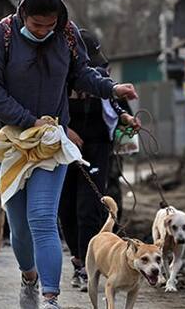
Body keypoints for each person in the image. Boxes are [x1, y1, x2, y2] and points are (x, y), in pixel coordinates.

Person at [0, 0, 138, 309]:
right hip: (8, 142)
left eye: (50, 25)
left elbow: (82, 73)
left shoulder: (67, 35)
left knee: (42, 218)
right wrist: (29, 120)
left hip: (50, 142)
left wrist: (111, 89)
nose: (43, 31)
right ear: (22, 14)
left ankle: (50, 298)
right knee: (19, 226)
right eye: (36, 26)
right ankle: (29, 277)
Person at [58, 29, 140, 292]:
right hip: (63, 151)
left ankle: (87, 265)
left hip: (97, 149)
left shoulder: (102, 82)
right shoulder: (58, 83)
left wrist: (127, 120)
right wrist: (65, 131)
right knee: (66, 208)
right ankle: (77, 259)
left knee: (90, 207)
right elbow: (45, 113)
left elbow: (116, 106)